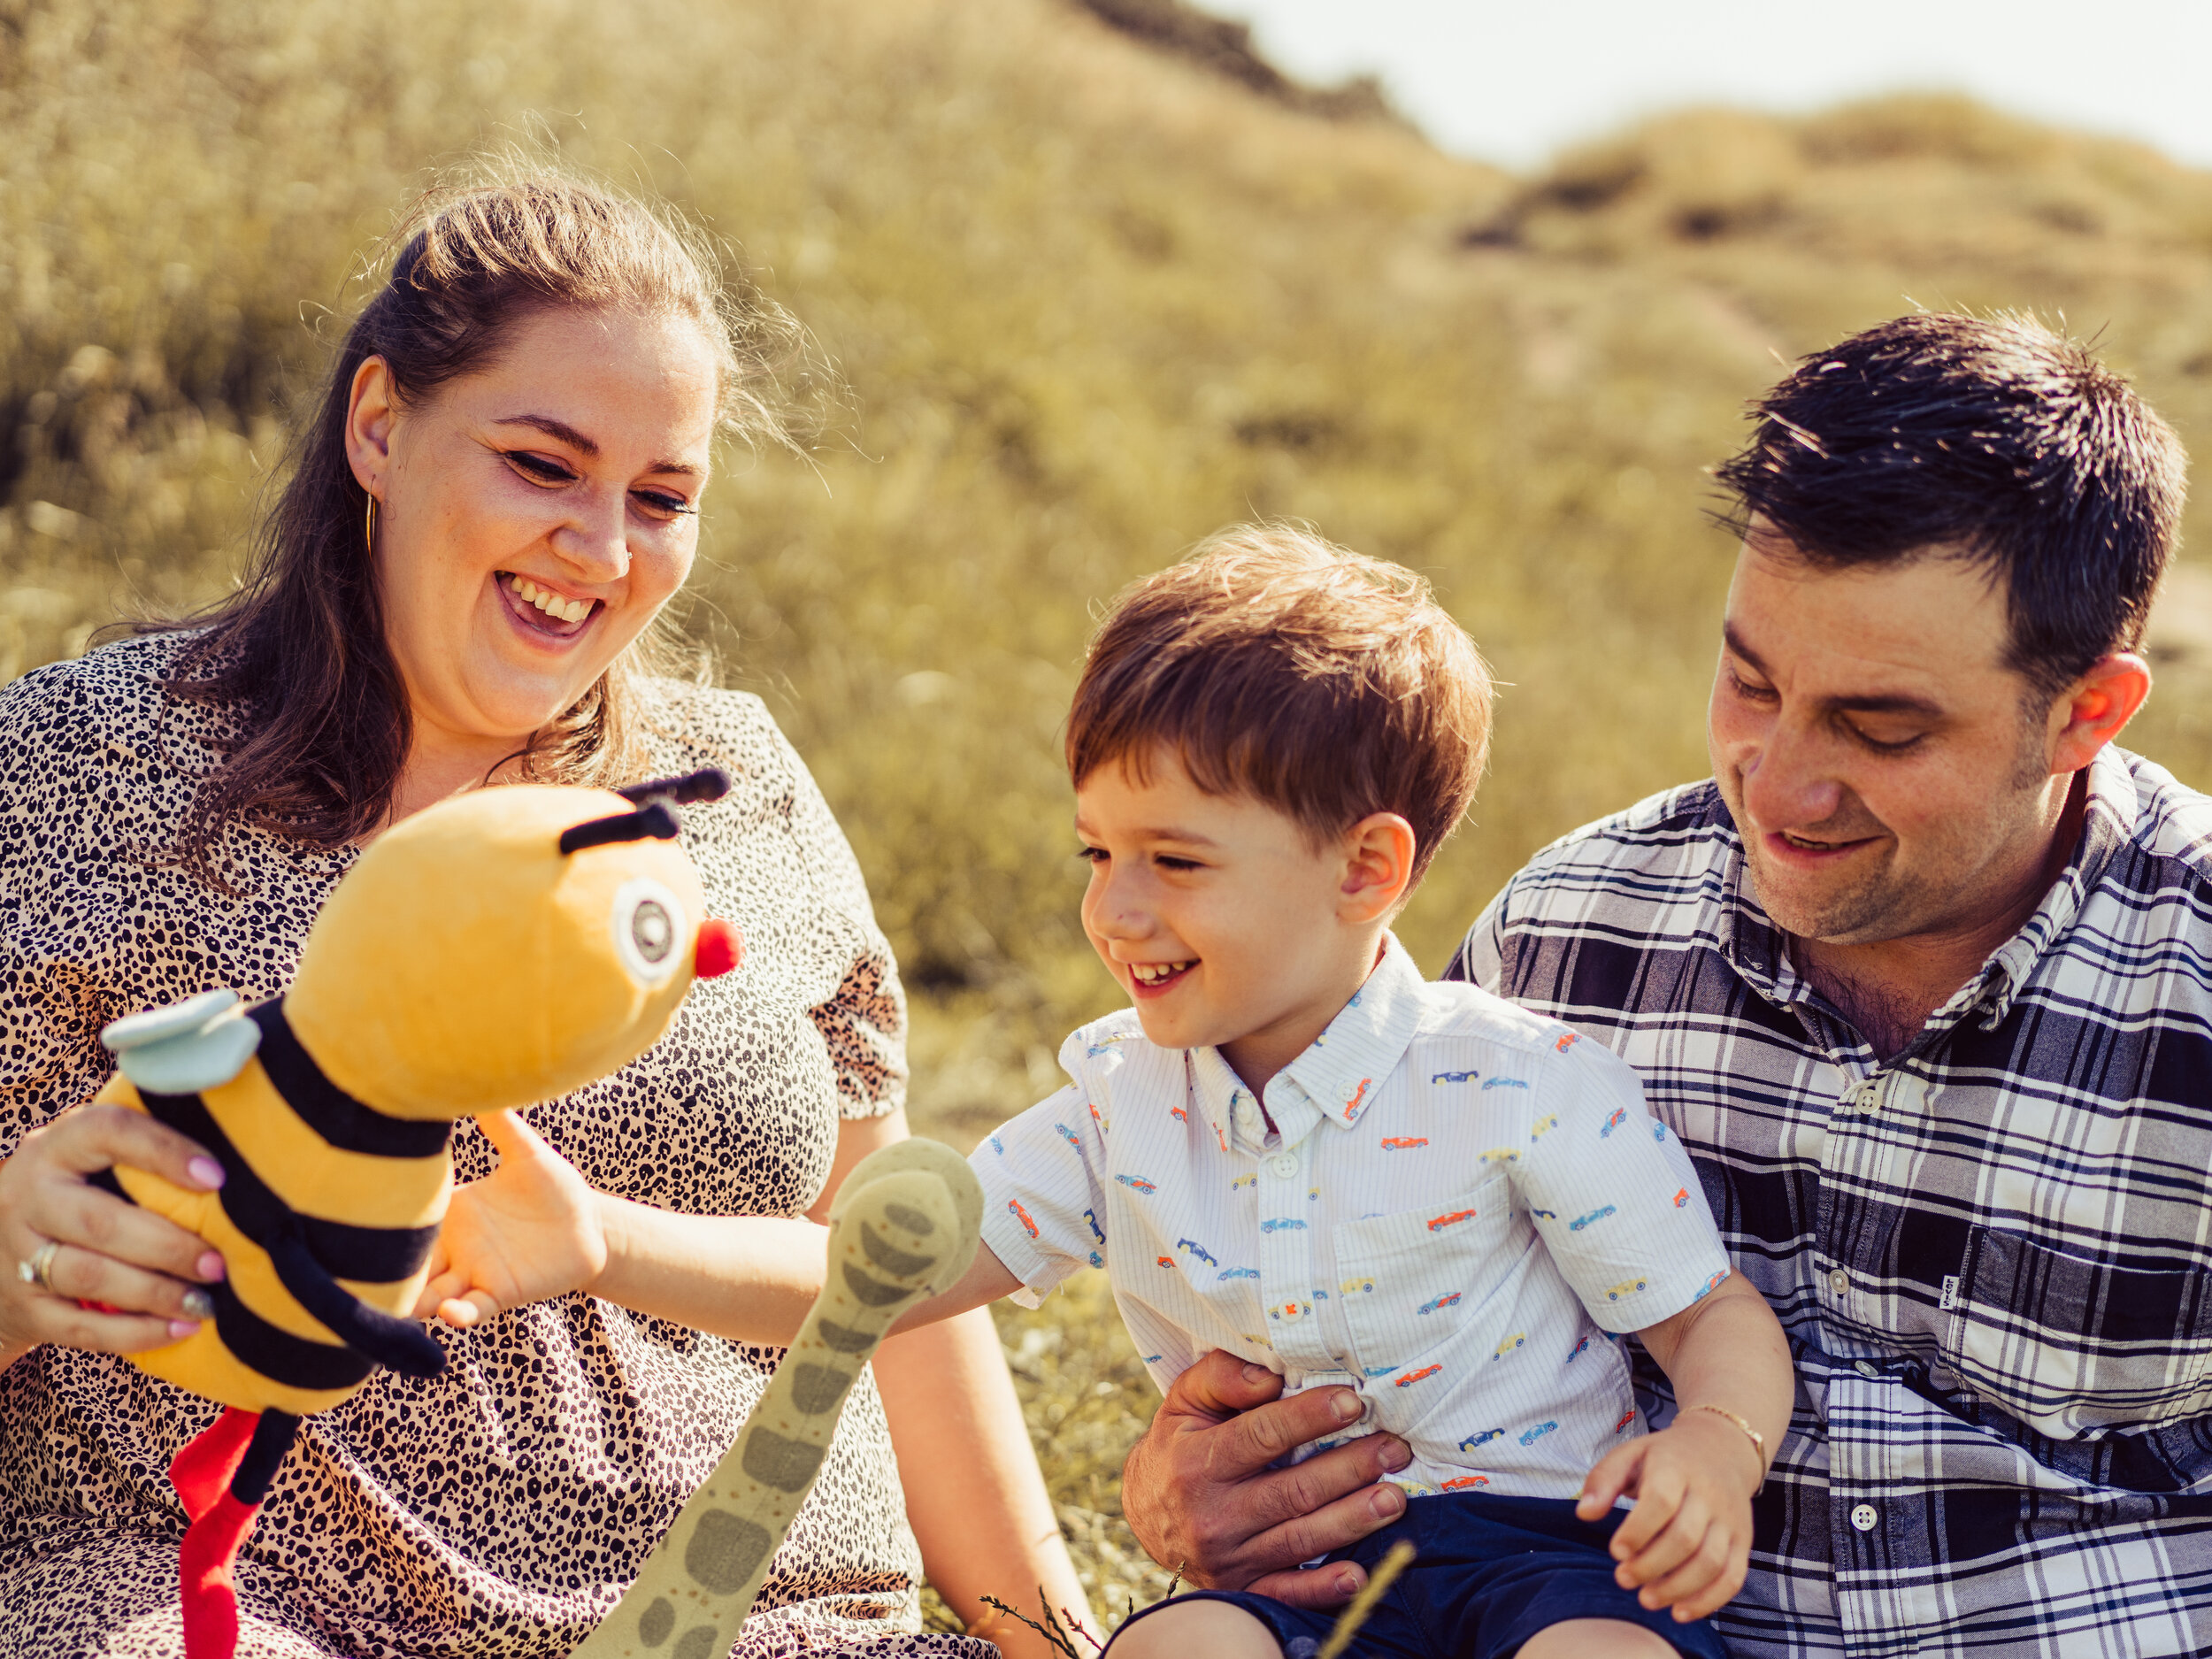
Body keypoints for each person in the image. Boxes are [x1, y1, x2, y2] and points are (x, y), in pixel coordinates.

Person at [0, 172, 1083, 1658]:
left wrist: (1050, 1633)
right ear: (379, 426)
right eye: (541, 464)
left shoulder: (737, 785)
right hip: (231, 1604)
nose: (602, 546)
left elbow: (890, 1271)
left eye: (663, 497)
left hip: (766, 1616)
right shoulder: (78, 768)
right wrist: (17, 1253)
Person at [420, 526, 1795, 1659]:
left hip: (1546, 1562)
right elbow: (873, 1280)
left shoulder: (1518, 1082)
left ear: (1366, 869)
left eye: (1176, 862)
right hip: (1298, 1588)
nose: (1115, 910)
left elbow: (1707, 1319)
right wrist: (602, 1242)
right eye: (1096, 852)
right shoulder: (1115, 1108)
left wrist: (1717, 1455)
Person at [1117, 312, 2212, 1656]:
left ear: (2089, 712)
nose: (1783, 783)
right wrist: (1202, 1480)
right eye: (1750, 685)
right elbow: (1361, 1301)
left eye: (1882, 727)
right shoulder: (1571, 937)